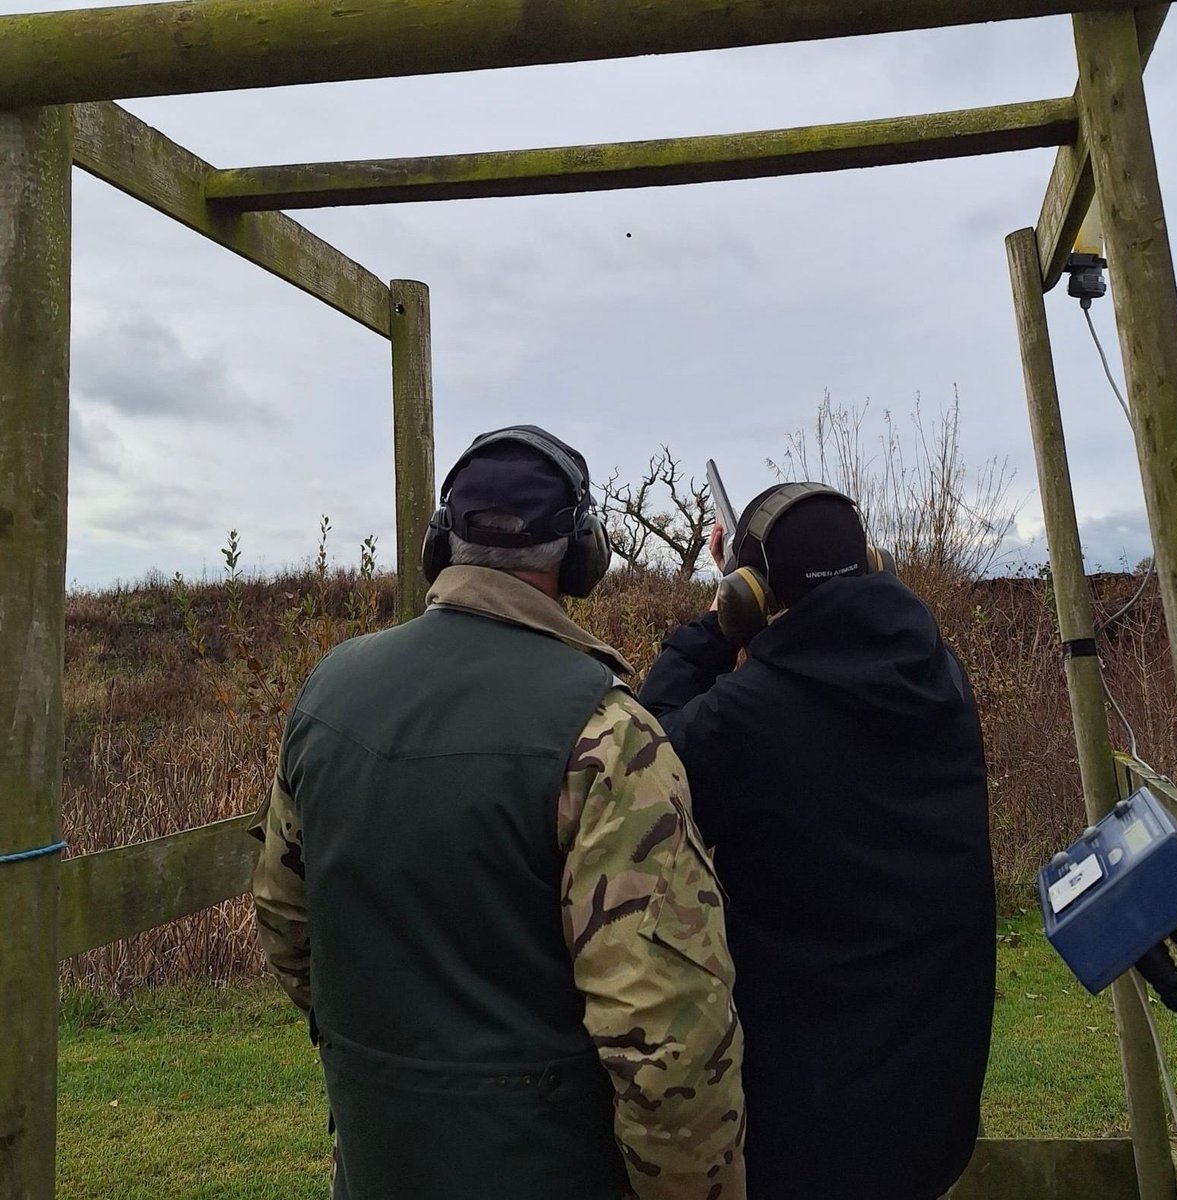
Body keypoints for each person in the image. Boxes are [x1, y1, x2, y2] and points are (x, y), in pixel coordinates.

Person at [250, 425, 746, 1200]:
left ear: (440, 544)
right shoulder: (609, 736)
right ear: (583, 554)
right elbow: (667, 1050)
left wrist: (397, 1060)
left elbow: (285, 921)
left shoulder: (327, 694)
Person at [639, 482, 995, 1200]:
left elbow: (648, 748)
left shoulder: (744, 719)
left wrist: (718, 624)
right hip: (932, 1109)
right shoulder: (940, 677)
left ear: (753, 593)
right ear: (872, 562)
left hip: (809, 1131)